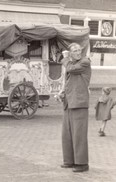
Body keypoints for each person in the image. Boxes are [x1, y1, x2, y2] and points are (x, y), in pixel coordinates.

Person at [57, 43, 91, 172]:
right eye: (75, 51)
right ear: (71, 53)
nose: (78, 52)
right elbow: (70, 81)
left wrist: (65, 58)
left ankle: (82, 163)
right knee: (67, 134)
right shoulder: (72, 63)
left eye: (79, 50)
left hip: (79, 103)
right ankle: (69, 161)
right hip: (69, 103)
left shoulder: (85, 62)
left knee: (79, 135)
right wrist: (63, 92)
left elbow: (71, 69)